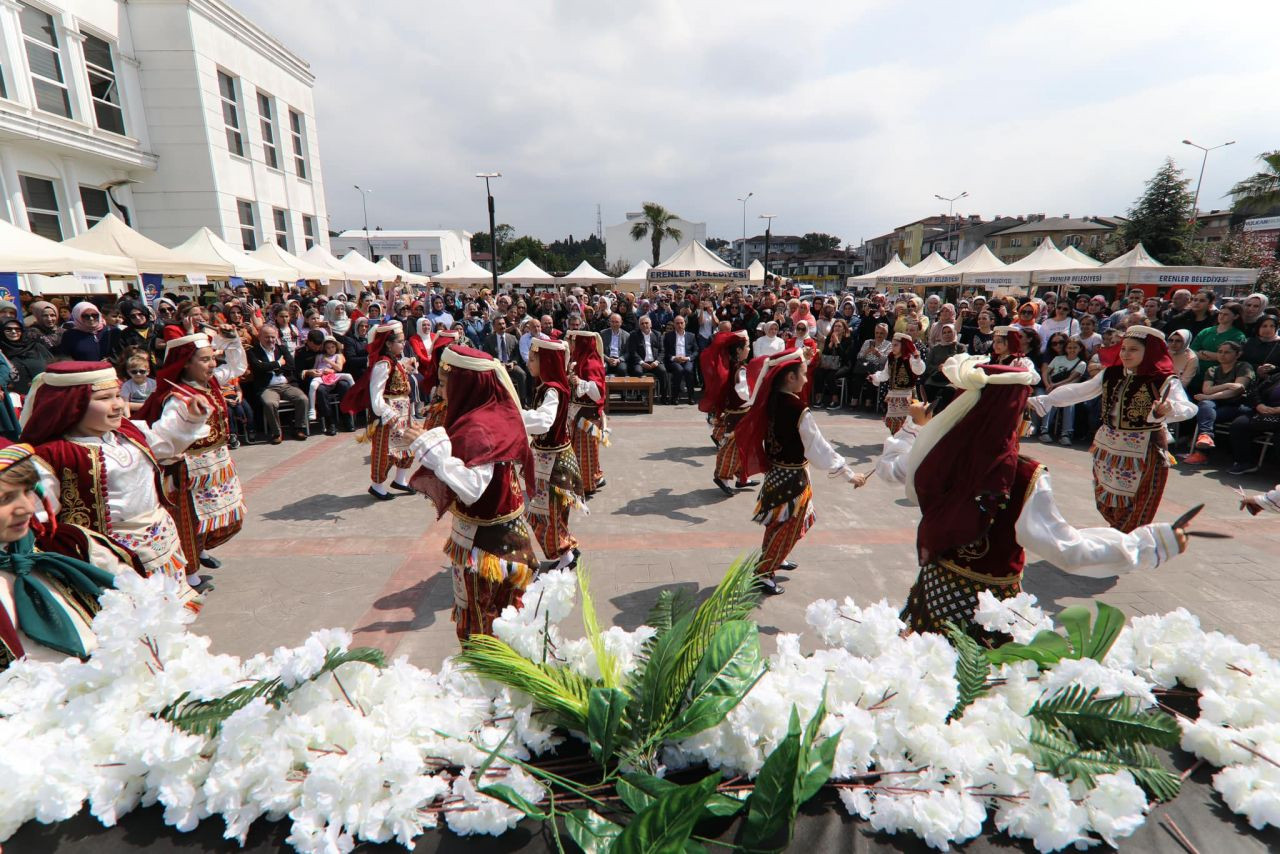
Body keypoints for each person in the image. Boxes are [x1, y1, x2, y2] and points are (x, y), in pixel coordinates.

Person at [872, 355, 1189, 640]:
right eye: (1024, 411)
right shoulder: (1022, 477)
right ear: (1012, 416)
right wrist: (1150, 544)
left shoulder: (938, 453)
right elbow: (1067, 549)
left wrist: (914, 427)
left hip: (934, 596)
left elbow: (890, 471)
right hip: (988, 613)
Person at [19, 362, 211, 605]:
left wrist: (189, 419)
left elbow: (164, 445)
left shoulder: (127, 434)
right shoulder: (52, 457)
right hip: (112, 563)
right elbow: (38, 522)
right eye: (105, 398)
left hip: (162, 546)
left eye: (118, 395)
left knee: (169, 617)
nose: (118, 404)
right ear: (73, 404)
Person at [399, 347, 537, 642]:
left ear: (466, 384)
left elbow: (473, 489)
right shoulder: (486, 414)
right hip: (493, 539)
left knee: (484, 626)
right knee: (496, 619)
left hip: (488, 548)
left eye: (445, 382)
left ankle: (489, 683)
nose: (439, 389)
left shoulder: (479, 427)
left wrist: (429, 450)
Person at [1029, 326, 1195, 532]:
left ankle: (1124, 543)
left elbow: (1188, 408)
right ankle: (1118, 539)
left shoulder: (1164, 379)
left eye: (1133, 349)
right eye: (1123, 348)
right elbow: (1081, 391)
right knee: (1105, 498)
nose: (1125, 354)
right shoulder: (1111, 373)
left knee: (1138, 502)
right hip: (1108, 447)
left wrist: (1168, 409)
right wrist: (1047, 400)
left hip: (1144, 449)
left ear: (1149, 352)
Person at [734, 349, 860, 595]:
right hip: (793, 480)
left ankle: (776, 558)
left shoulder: (769, 400)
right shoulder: (797, 408)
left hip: (775, 475)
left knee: (777, 523)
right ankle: (763, 572)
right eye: (802, 374)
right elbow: (818, 447)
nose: (805, 379)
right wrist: (848, 474)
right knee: (789, 525)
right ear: (790, 378)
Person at [0, 440, 129, 669]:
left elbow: (137, 605)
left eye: (29, 490)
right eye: (4, 499)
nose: (27, 508)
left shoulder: (71, 545)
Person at [137, 326, 248, 587]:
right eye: (205, 359)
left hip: (217, 463)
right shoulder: (177, 398)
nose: (212, 364)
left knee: (222, 517)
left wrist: (231, 340)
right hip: (189, 469)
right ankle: (190, 573)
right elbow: (163, 437)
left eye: (212, 358)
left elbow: (235, 368)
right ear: (186, 365)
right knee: (188, 520)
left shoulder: (209, 383)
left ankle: (199, 551)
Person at [522, 337, 585, 571]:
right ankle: (565, 550)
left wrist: (515, 415)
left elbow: (544, 422)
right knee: (552, 512)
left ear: (546, 361)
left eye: (532, 359)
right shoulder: (548, 386)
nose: (528, 363)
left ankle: (566, 556)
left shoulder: (552, 390)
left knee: (547, 513)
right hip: (552, 460)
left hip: (554, 464)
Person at [341, 321, 415, 500]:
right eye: (400, 341)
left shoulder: (395, 360)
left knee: (407, 446)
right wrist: (385, 412)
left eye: (404, 340)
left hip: (403, 412)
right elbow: (376, 393)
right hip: (388, 414)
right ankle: (377, 485)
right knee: (385, 451)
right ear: (388, 344)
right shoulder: (383, 364)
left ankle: (400, 480)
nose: (403, 344)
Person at [1183, 340, 1255, 465]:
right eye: (1220, 352)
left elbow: (1237, 390)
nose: (1222, 355)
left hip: (1236, 404)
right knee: (1205, 406)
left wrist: (1210, 396)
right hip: (1216, 404)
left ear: (1237, 354)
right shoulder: (1213, 369)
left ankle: (1201, 453)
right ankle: (1206, 437)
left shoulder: (1243, 366)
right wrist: (1227, 385)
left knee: (1206, 409)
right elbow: (1206, 389)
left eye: (1227, 352)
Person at [704, 331, 754, 496]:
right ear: (739, 350)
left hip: (739, 412)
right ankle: (722, 478)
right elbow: (743, 394)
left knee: (744, 448)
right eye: (747, 346)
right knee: (732, 448)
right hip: (738, 414)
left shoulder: (733, 365)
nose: (749, 348)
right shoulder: (739, 369)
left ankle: (742, 478)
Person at [247, 324, 309, 444]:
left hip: (285, 384)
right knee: (270, 403)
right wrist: (279, 363)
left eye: (272, 337)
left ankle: (299, 428)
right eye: (267, 337)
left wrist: (271, 367)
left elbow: (291, 366)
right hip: (267, 387)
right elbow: (258, 367)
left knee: (302, 399)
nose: (270, 340)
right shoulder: (253, 351)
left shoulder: (282, 349)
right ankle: (276, 432)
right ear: (259, 337)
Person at [567, 330, 608, 498]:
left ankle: (587, 484)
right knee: (580, 449)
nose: (570, 344)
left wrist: (580, 382)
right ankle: (595, 477)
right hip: (577, 413)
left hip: (589, 416)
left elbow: (598, 392)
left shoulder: (592, 363)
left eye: (573, 341)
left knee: (586, 451)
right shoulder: (578, 361)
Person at [870, 332, 925, 433]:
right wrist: (875, 377)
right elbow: (885, 374)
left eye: (896, 345)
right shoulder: (891, 358)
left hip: (907, 395)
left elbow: (919, 370)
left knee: (907, 421)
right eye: (892, 345)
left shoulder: (910, 358)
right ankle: (895, 439)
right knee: (893, 420)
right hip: (893, 395)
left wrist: (917, 360)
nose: (893, 348)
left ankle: (906, 440)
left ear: (903, 345)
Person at [1040, 336, 1088, 445]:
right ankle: (1044, 430)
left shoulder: (1081, 363)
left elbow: (1072, 379)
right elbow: (1046, 372)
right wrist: (1048, 385)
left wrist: (1055, 385)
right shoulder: (1058, 359)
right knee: (1051, 400)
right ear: (1066, 349)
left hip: (1068, 389)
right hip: (1052, 386)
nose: (1072, 350)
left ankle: (1066, 433)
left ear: (1080, 349)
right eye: (1069, 347)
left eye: (1075, 347)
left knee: (1069, 403)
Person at [303, 336, 354, 425]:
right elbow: (315, 367)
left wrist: (328, 361)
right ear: (324, 348)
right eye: (328, 348)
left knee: (348, 377)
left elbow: (339, 368)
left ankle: (355, 397)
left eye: (332, 347)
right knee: (314, 385)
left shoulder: (338, 355)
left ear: (336, 347)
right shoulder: (319, 356)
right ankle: (313, 409)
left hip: (333, 376)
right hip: (322, 376)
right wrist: (316, 372)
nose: (330, 349)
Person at [627, 315, 667, 401]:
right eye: (642, 323)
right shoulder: (634, 335)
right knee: (637, 371)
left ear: (651, 324)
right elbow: (633, 351)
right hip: (641, 363)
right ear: (639, 325)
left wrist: (657, 362)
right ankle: (641, 396)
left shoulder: (657, 334)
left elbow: (662, 351)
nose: (644, 325)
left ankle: (664, 397)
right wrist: (641, 362)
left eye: (646, 323)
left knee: (663, 371)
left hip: (654, 362)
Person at [663, 315, 698, 404]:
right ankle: (675, 397)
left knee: (688, 370)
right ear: (674, 324)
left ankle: (691, 397)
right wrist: (674, 358)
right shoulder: (668, 336)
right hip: (674, 361)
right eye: (677, 323)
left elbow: (696, 351)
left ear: (685, 324)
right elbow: (665, 351)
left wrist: (688, 358)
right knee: (679, 370)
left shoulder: (691, 336)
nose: (679, 325)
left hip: (687, 359)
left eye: (681, 323)